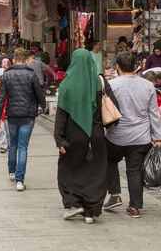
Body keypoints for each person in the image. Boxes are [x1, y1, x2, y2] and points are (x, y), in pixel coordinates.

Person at [55, 49, 116, 224]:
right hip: (95, 136)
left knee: (69, 170)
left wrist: (59, 138)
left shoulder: (66, 84)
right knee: (95, 172)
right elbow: (113, 107)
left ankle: (74, 203)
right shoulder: (100, 82)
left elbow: (61, 115)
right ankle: (91, 211)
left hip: (73, 137)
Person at [104, 52, 161, 219]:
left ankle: (115, 193)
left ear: (117, 67)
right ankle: (135, 207)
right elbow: (154, 114)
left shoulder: (112, 85)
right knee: (134, 170)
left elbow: (106, 111)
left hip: (116, 135)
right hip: (141, 136)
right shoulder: (148, 86)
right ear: (136, 66)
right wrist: (158, 137)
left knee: (109, 160)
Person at [0, 48, 45, 192]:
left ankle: (11, 171)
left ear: (13, 60)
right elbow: (39, 94)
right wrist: (43, 106)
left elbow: (2, 98)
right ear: (25, 60)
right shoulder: (31, 75)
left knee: (13, 144)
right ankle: (20, 180)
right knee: (23, 147)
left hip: (12, 115)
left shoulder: (6, 75)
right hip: (28, 115)